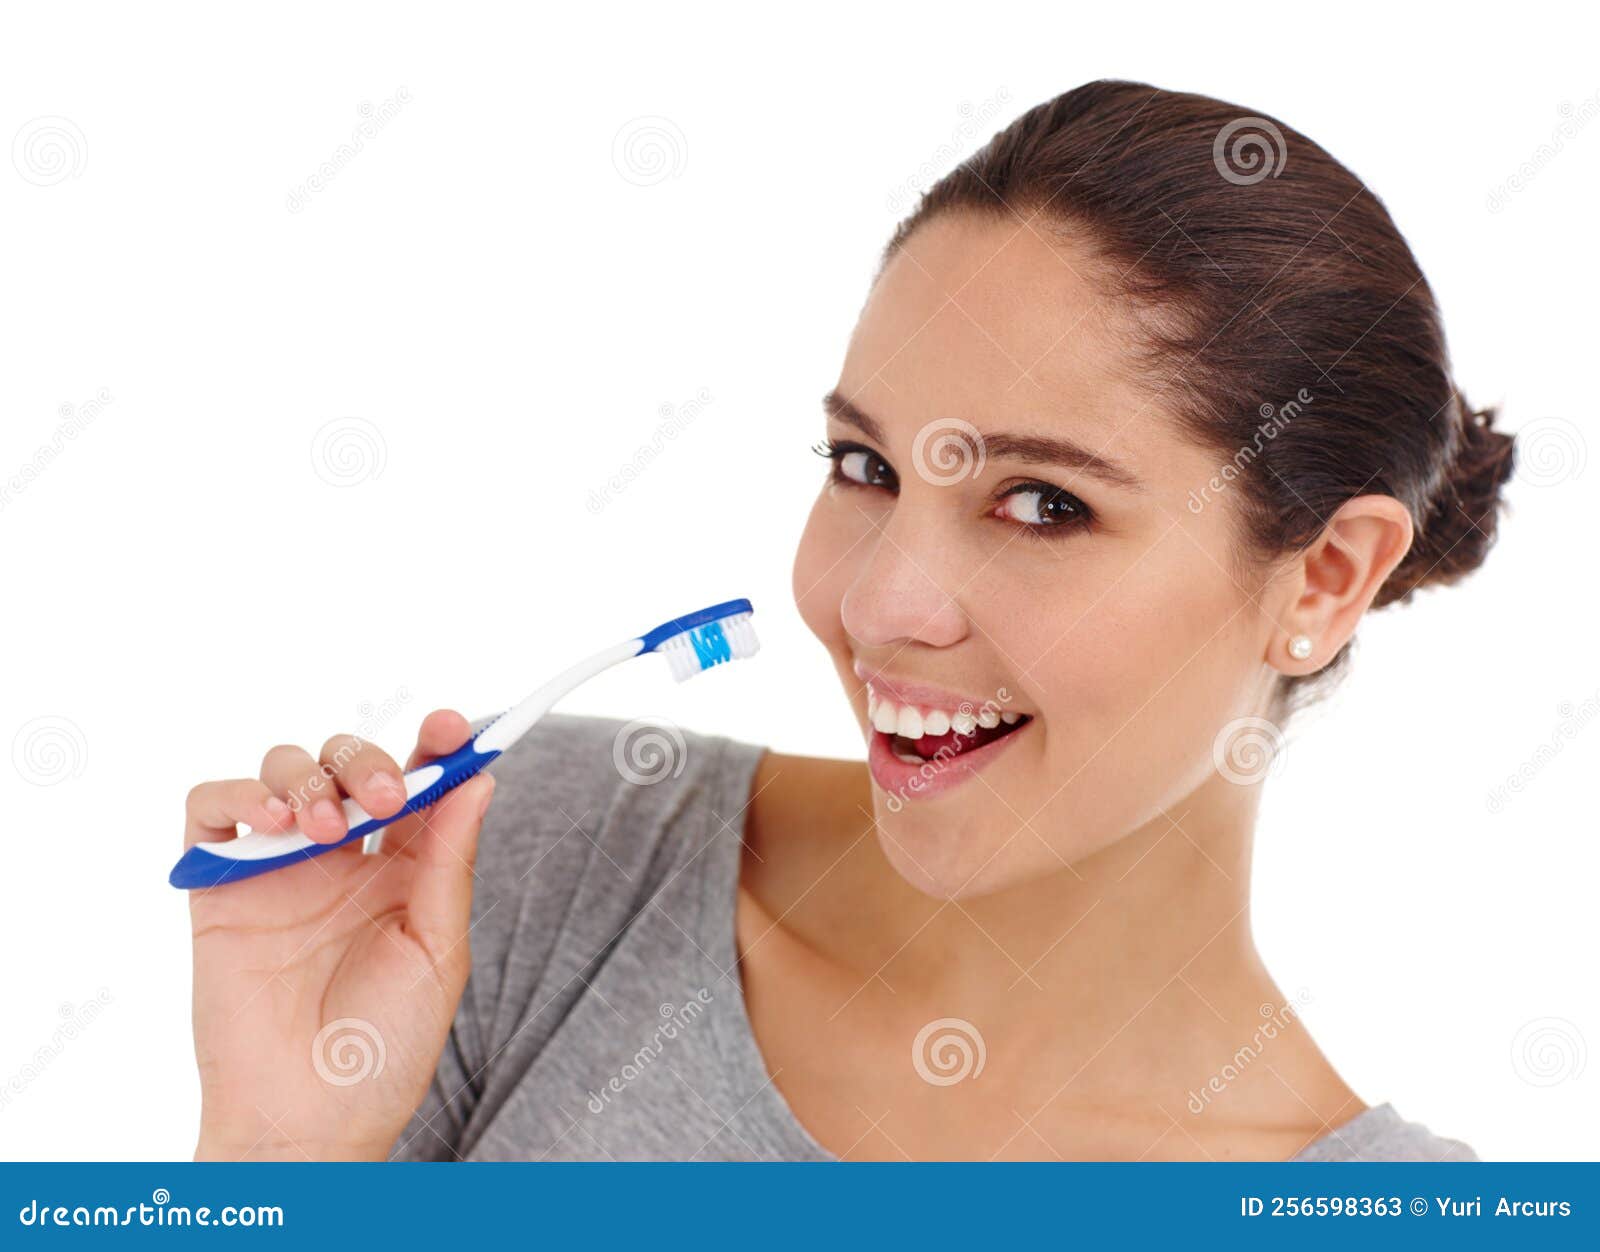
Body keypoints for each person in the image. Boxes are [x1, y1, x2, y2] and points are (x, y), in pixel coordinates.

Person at [182, 79, 1510, 1162]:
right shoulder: (534, 865)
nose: (874, 603)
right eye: (866, 469)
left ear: (1325, 578)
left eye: (1042, 504)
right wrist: (282, 1149)